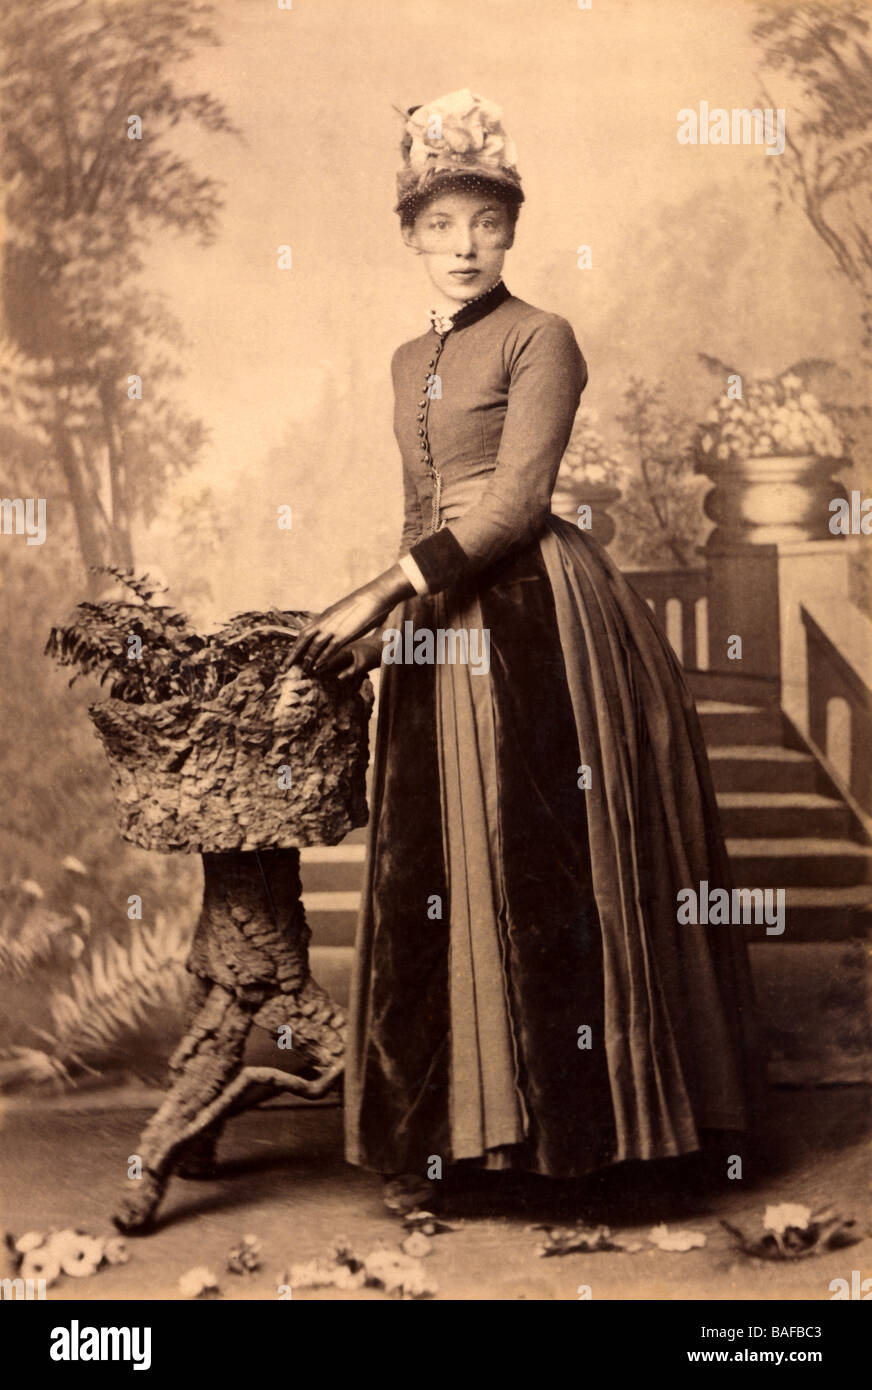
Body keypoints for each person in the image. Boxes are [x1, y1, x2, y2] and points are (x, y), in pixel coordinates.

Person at [289, 89, 759, 1210]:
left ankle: (592, 1149)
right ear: (407, 232)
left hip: (536, 619)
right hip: (436, 619)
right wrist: (386, 630)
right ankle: (460, 1142)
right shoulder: (407, 358)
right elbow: (421, 510)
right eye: (440, 223)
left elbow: (509, 507)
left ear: (512, 228)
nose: (463, 245)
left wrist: (377, 593)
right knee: (437, 870)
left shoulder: (543, 337)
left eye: (485, 222)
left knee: (548, 859)